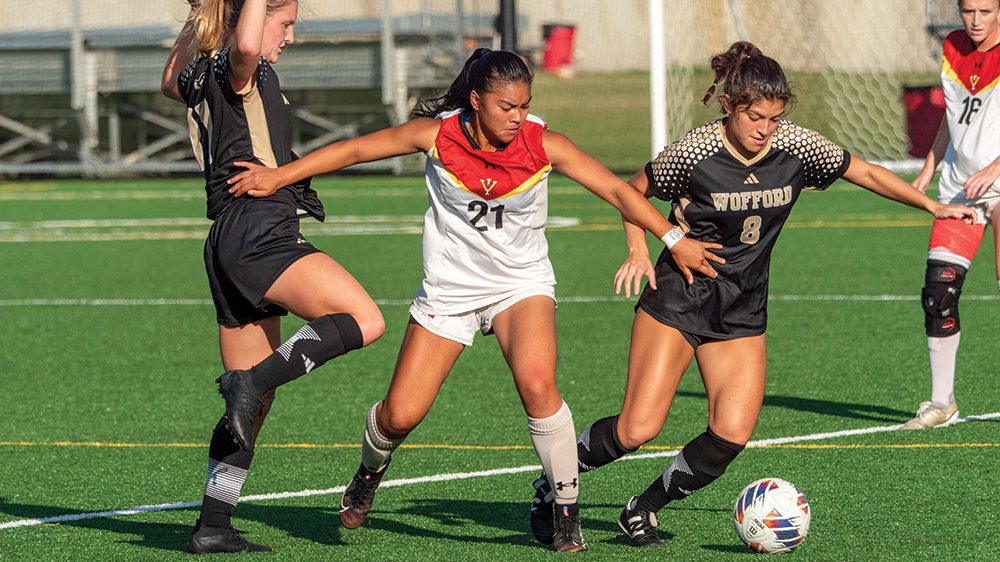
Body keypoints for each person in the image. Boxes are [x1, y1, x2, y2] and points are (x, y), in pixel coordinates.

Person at [226, 48, 692, 552]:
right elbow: (356, 150)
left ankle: (565, 515)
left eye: (524, 105)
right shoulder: (437, 135)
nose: (517, 117)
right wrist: (277, 177)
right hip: (449, 293)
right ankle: (368, 472)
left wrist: (671, 238)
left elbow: (620, 193)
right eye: (505, 107)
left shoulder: (543, 143)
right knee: (400, 416)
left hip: (521, 284)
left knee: (539, 384)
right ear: (475, 100)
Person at [527, 41, 976, 548]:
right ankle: (555, 478)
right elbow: (630, 192)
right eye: (755, 116)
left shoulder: (798, 147)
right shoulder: (695, 152)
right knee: (637, 428)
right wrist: (638, 249)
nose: (765, 128)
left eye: (775, 117)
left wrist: (932, 209)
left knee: (730, 435)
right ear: (729, 105)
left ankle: (643, 508)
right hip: (679, 301)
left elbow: (867, 172)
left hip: (742, 308)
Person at [160, 0, 385, 553]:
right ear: (254, 23)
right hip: (261, 229)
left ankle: (213, 524)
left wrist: (205, 16)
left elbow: (169, 80)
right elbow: (244, 45)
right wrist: (247, 21)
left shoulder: (199, 71)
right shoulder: (243, 68)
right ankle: (251, 381)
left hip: (224, 241)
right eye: (285, 24)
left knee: (250, 409)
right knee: (365, 319)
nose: (290, 37)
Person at [906, 0, 1000, 430]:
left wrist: (995, 168)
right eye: (968, 11)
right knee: (937, 294)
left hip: (998, 185)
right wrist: (930, 164)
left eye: (986, 11)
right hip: (960, 189)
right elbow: (954, 114)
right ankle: (941, 403)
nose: (975, 21)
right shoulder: (953, 48)